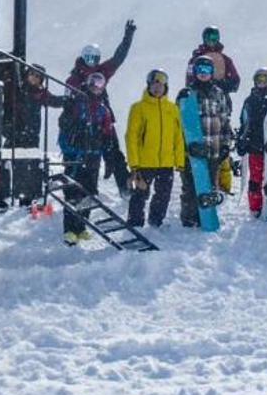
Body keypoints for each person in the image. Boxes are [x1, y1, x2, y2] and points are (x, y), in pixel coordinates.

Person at [67, 20, 138, 195]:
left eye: (94, 59)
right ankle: (82, 190)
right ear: (83, 58)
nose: (91, 62)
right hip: (83, 122)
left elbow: (118, 58)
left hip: (103, 117)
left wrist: (127, 37)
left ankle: (124, 187)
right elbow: (69, 102)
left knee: (114, 152)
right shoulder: (75, 77)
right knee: (84, 157)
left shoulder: (101, 71)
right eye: (88, 58)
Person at [56, 72, 116, 243]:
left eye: (100, 84)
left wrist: (108, 156)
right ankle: (69, 229)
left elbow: (107, 134)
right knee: (72, 192)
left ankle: (81, 227)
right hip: (75, 155)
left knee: (89, 193)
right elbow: (63, 127)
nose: (96, 87)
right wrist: (69, 149)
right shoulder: (77, 104)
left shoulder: (103, 110)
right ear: (88, 84)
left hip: (93, 157)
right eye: (93, 83)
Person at [122, 68, 185, 229]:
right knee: (140, 193)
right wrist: (134, 164)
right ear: (149, 86)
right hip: (145, 162)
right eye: (154, 85)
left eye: (161, 85)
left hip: (166, 162)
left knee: (163, 195)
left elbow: (178, 136)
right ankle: (135, 223)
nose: (157, 88)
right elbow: (131, 137)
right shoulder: (139, 108)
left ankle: (156, 221)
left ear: (166, 87)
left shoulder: (173, 109)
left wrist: (180, 161)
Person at [177, 57, 233, 227]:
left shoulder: (219, 93)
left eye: (207, 70)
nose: (203, 74)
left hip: (213, 149)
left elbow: (224, 120)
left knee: (209, 185)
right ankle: (189, 218)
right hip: (192, 152)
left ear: (212, 73)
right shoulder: (187, 94)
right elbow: (178, 123)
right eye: (200, 70)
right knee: (190, 186)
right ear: (195, 72)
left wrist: (225, 145)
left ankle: (206, 217)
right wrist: (186, 145)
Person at [234, 67, 267, 218]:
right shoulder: (250, 101)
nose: (261, 83)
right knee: (255, 179)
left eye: (264, 80)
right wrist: (242, 140)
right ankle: (255, 207)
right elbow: (245, 122)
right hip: (255, 145)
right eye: (259, 80)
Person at [187, 25, 242, 96]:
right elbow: (189, 79)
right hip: (198, 94)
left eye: (214, 38)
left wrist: (221, 85)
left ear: (218, 39)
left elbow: (235, 81)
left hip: (220, 97)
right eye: (208, 38)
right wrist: (197, 86)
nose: (211, 41)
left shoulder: (225, 60)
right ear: (204, 39)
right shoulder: (196, 59)